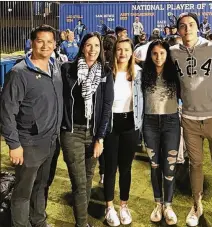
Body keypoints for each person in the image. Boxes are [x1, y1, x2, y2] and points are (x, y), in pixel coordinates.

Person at [170, 12, 212, 227]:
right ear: (177, 30)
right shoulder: (172, 52)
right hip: (189, 118)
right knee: (195, 164)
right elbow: (147, 58)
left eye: (191, 25)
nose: (187, 29)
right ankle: (196, 205)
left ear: (199, 27)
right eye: (182, 26)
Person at [0, 24, 63, 227]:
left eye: (49, 41)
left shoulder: (55, 67)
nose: (45, 45)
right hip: (28, 144)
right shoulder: (19, 73)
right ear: (31, 43)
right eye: (40, 41)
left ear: (55, 44)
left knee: (41, 186)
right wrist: (14, 145)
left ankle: (38, 221)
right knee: (23, 192)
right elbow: (7, 111)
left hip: (51, 142)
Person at [60, 32, 114, 227]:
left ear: (101, 49)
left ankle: (80, 222)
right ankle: (82, 224)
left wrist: (100, 138)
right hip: (72, 133)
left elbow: (107, 106)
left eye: (96, 46)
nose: (92, 49)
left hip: (93, 135)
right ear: (82, 47)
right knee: (80, 183)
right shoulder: (67, 70)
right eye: (89, 45)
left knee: (88, 180)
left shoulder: (106, 73)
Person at [103, 37, 143, 227]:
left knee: (126, 168)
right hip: (111, 124)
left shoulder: (139, 74)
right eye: (119, 49)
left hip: (130, 124)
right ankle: (109, 207)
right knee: (110, 168)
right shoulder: (106, 73)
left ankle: (123, 205)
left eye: (126, 49)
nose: (122, 53)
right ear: (114, 52)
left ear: (132, 52)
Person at [142, 39, 180, 225]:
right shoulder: (143, 73)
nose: (158, 57)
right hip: (149, 123)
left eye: (162, 53)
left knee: (170, 166)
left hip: (171, 122)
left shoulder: (175, 72)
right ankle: (158, 203)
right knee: (155, 165)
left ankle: (168, 205)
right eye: (155, 53)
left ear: (168, 54)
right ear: (150, 55)